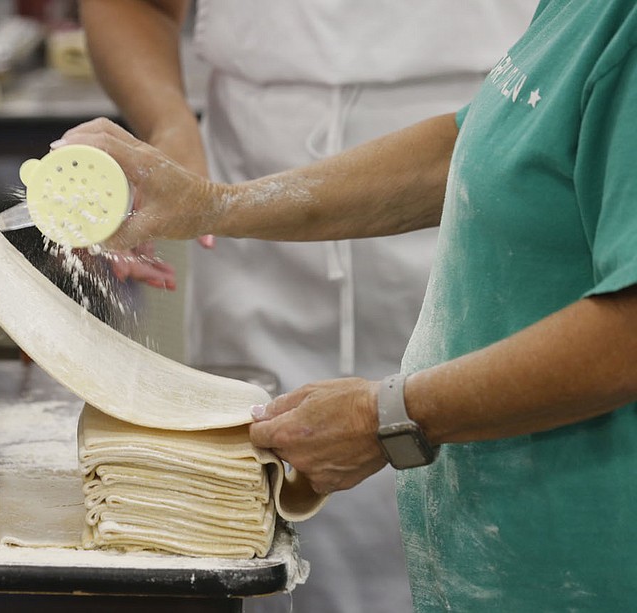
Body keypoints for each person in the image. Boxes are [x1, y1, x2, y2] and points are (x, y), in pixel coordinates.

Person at [56, 0, 637, 610]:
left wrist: (387, 418)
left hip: (565, 519)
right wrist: (210, 202)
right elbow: (473, 142)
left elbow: (620, 339)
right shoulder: (578, 15)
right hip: (442, 437)